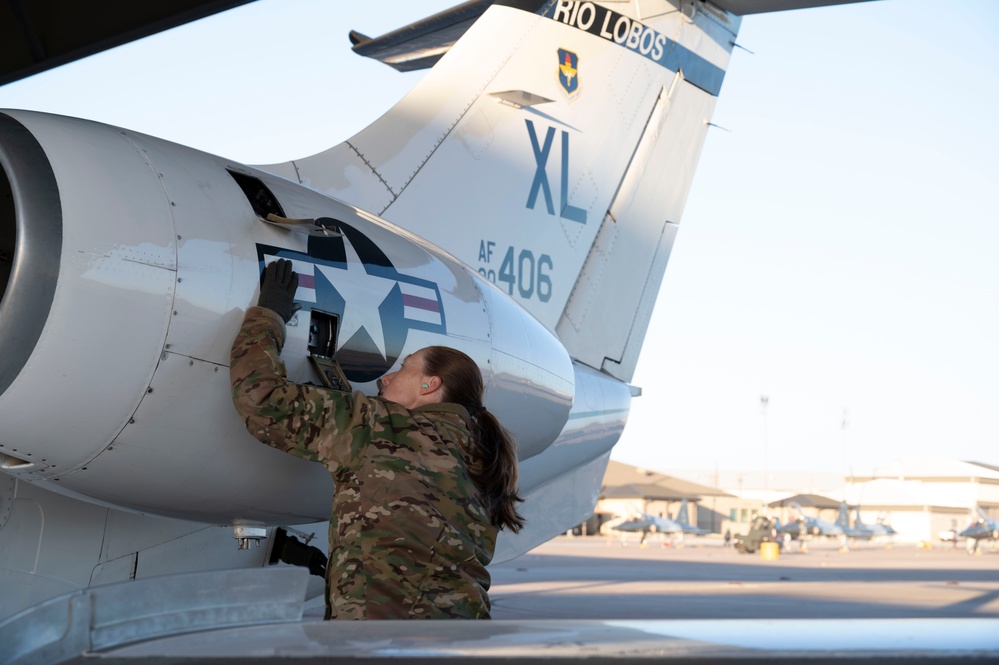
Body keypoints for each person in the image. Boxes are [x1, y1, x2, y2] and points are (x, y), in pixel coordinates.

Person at [230, 259, 524, 619]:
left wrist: (269, 315)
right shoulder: (481, 456)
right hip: (460, 637)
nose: (384, 379)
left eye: (404, 368)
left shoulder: (381, 425)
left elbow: (261, 399)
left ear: (429, 385)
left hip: (380, 642)